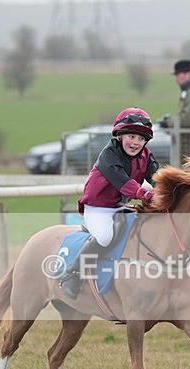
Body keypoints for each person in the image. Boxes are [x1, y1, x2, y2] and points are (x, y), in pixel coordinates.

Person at [58, 107, 159, 299]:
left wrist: (170, 189)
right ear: (119, 136)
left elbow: (157, 176)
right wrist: (146, 194)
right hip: (98, 208)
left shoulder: (146, 155)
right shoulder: (109, 155)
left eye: (141, 138)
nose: (136, 142)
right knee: (104, 237)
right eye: (131, 136)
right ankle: (72, 275)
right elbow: (123, 182)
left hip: (119, 207)